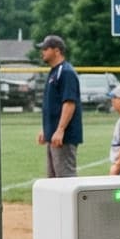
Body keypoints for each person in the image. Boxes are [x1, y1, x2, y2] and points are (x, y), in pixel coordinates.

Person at [37, 34, 81, 178]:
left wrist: (61, 129)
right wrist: (46, 130)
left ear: (57, 50)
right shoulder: (54, 72)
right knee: (53, 180)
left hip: (64, 137)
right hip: (54, 136)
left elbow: (69, 102)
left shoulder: (66, 72)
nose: (42, 52)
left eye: (45, 48)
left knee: (65, 179)